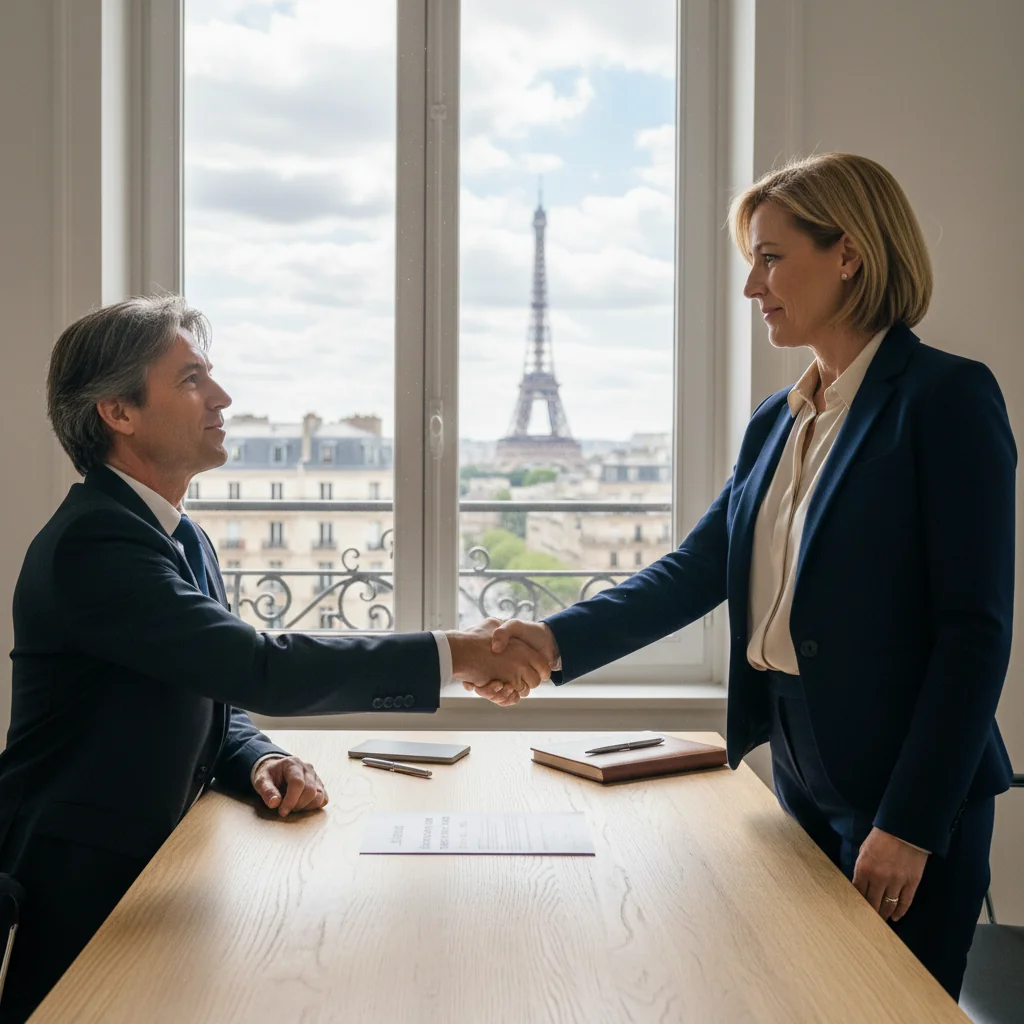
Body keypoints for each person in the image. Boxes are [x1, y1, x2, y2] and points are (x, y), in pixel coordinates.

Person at [471, 153, 1016, 1000]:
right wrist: (551, 639)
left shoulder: (945, 398)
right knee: (803, 1001)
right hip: (798, 763)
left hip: (904, 783)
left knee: (890, 1010)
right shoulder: (778, 418)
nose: (751, 286)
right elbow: (697, 569)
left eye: (770, 257)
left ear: (848, 254)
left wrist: (909, 824)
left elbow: (974, 635)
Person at [0, 296, 545, 1023]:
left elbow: (211, 691)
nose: (222, 397)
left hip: (158, 875)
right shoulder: (95, 544)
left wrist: (259, 757)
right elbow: (262, 669)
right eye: (191, 379)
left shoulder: (174, 534)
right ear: (118, 412)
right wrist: (460, 654)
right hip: (83, 888)